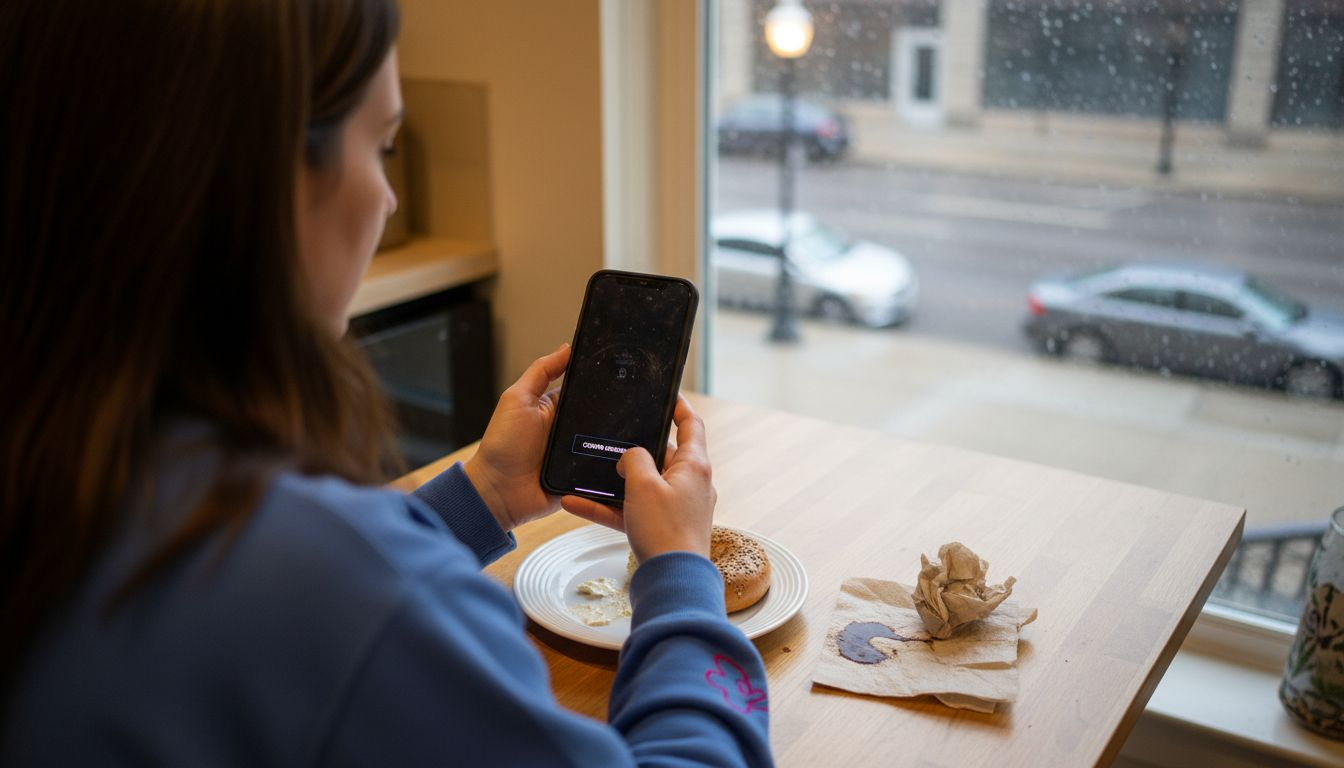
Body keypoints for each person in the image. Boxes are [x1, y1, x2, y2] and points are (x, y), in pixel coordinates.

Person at [0, 1, 773, 765]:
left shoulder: (67, 467)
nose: (389, 199)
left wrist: (487, 496)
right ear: (268, 183)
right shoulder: (341, 587)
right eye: (384, 148)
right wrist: (679, 570)